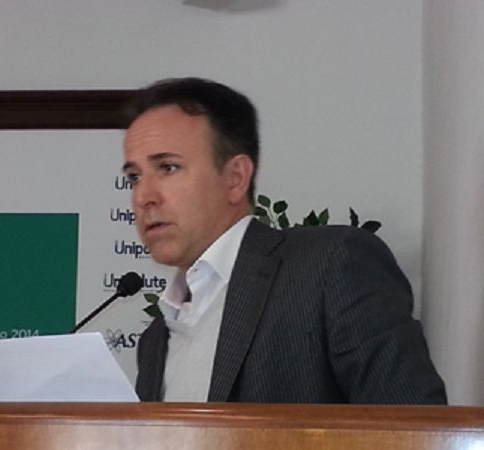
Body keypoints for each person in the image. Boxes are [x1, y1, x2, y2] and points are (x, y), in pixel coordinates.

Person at [122, 77, 447, 404]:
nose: (143, 197)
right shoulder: (155, 339)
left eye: (168, 167)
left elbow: (414, 422)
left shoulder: (330, 266)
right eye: (134, 177)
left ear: (235, 178)